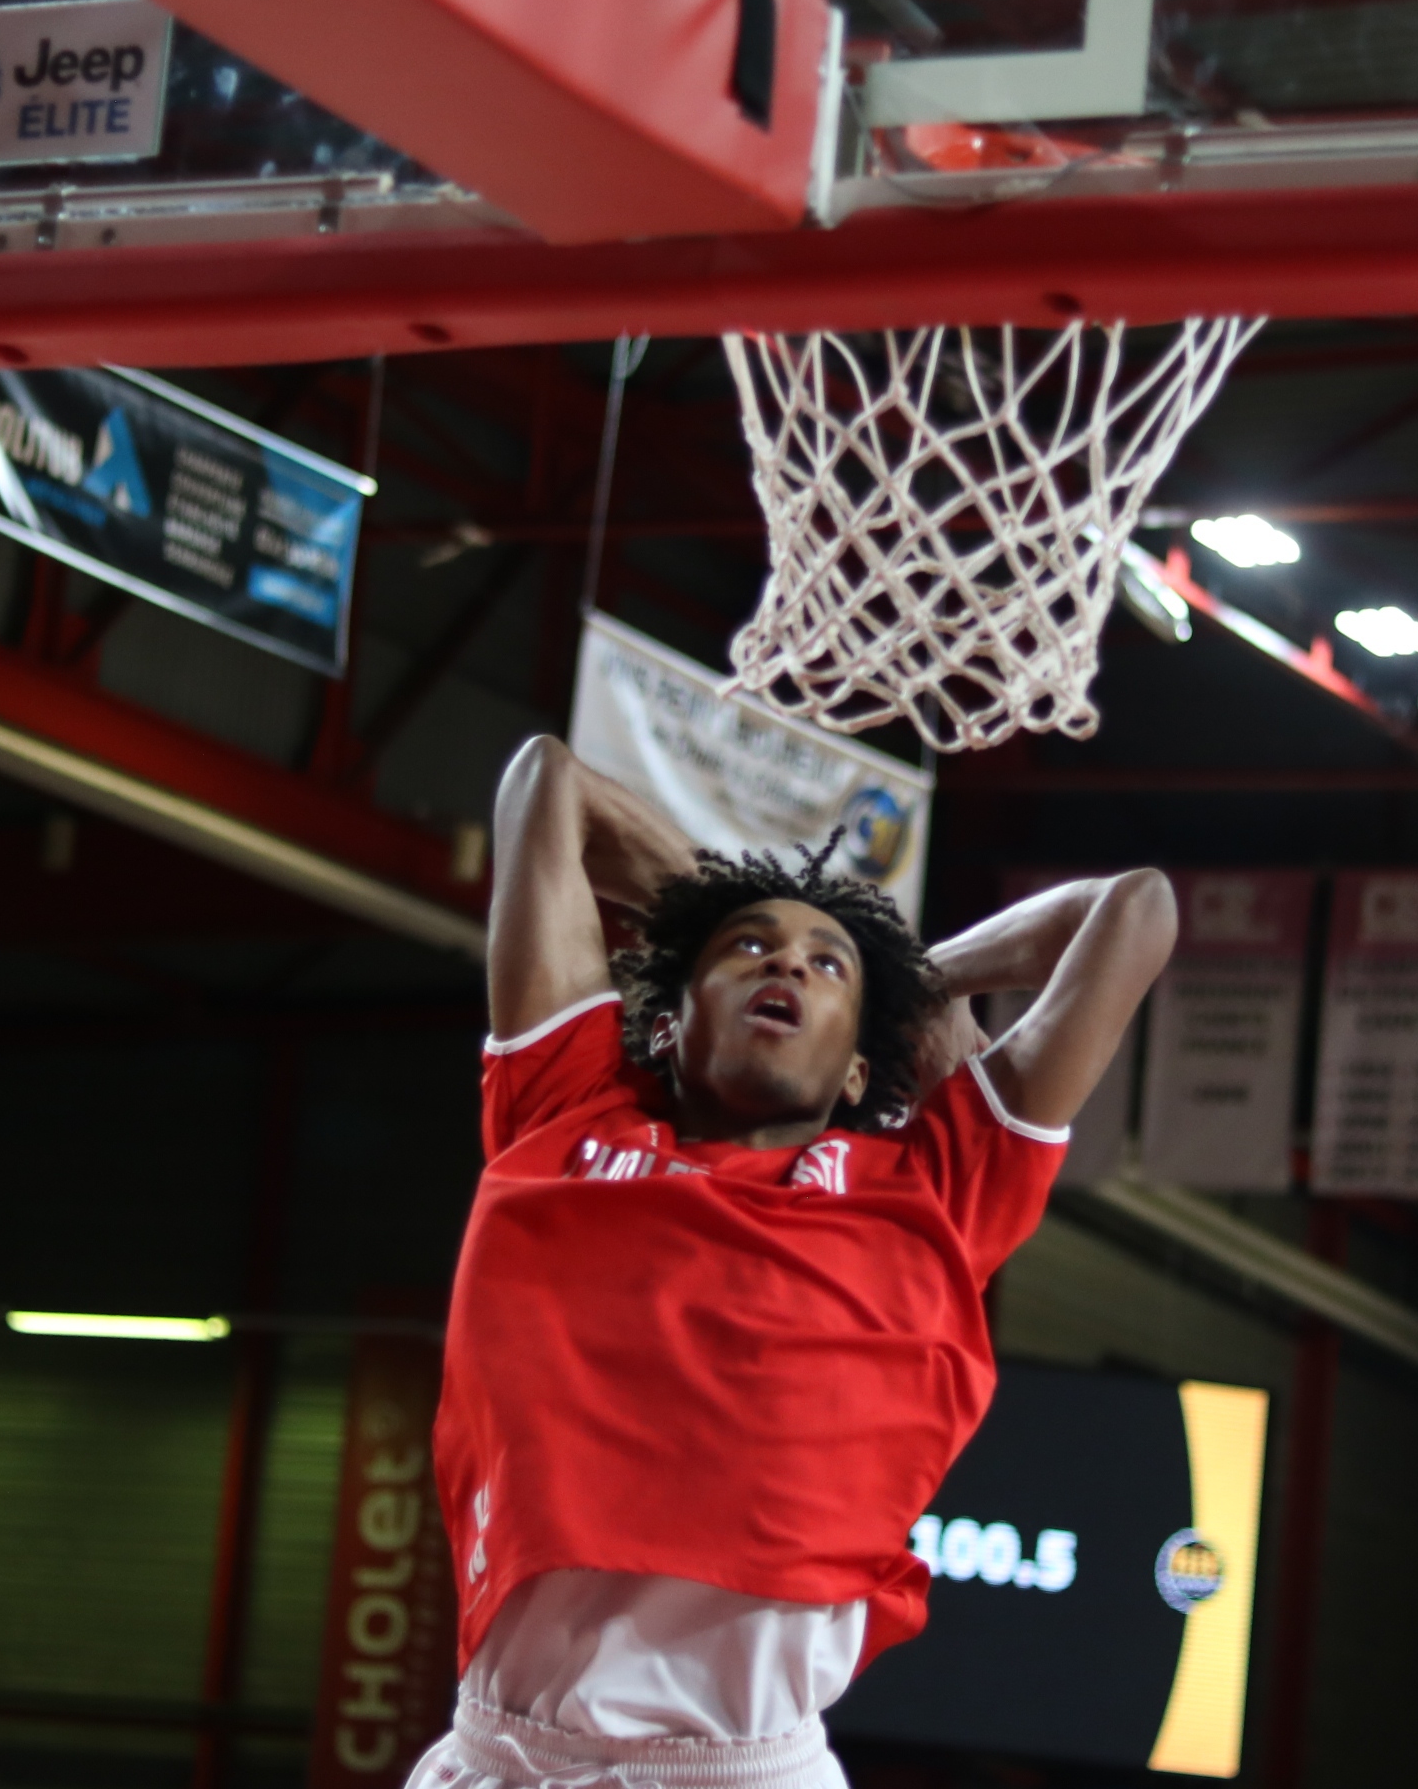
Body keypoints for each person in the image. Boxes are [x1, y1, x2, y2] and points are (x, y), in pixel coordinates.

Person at [412, 736, 1176, 1789]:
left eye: (825, 969)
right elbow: (547, 782)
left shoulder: (933, 1190)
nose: (788, 967)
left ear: (863, 1059)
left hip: (738, 1767)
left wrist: (903, 977)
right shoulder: (563, 1112)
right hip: (503, 1753)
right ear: (671, 1023)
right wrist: (749, 912)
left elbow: (1135, 912)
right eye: (752, 955)